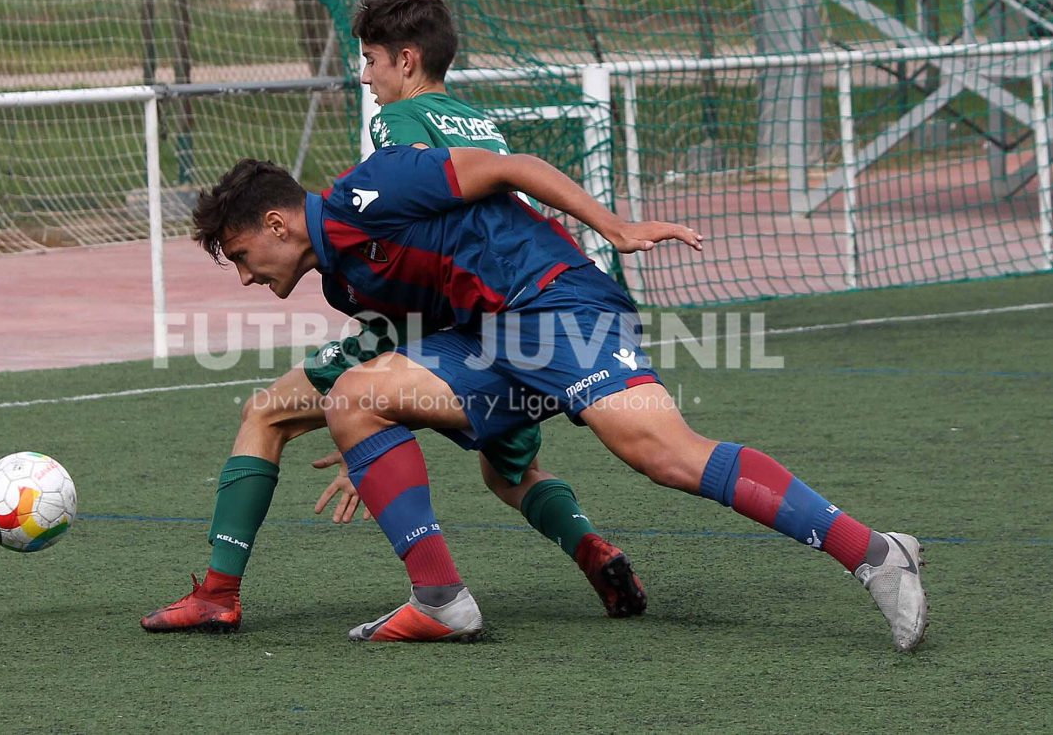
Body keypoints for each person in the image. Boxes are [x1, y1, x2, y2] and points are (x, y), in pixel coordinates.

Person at [190, 144, 929, 651]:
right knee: (355, 397)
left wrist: (615, 228)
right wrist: (373, 446)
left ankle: (875, 552)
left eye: (243, 256)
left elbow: (510, 167)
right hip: (489, 340)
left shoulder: (371, 187)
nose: (246, 276)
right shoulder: (345, 282)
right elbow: (411, 353)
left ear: (277, 224)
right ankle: (442, 602)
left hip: (555, 303)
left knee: (664, 456)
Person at [140, 0, 644, 634]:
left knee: (267, 412)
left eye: (371, 60)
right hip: (503, 314)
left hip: (461, 324)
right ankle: (590, 547)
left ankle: (221, 593)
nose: (366, 77)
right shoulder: (465, 119)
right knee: (509, 470)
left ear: (406, 60)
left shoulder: (393, 131)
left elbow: (416, 225)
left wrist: (370, 428)